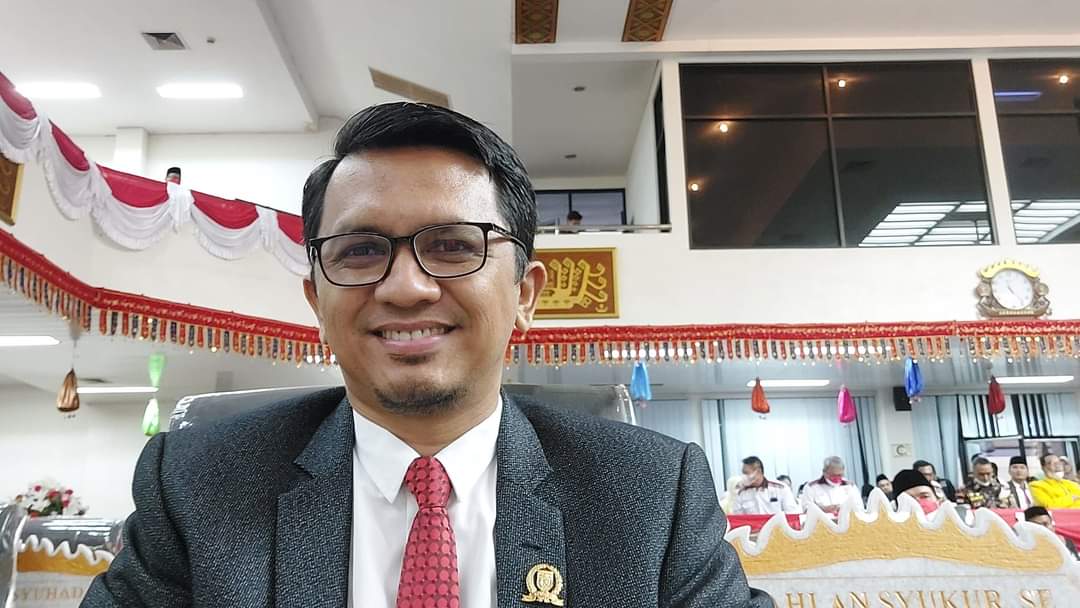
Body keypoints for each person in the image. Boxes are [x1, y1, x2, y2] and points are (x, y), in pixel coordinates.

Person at [82, 103, 770, 607]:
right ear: (316, 300)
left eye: (452, 245)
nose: (406, 288)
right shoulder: (197, 486)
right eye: (360, 250)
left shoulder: (652, 495)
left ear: (525, 294)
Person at [730, 456, 800, 516]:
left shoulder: (780, 488)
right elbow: (738, 518)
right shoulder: (741, 493)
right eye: (743, 473)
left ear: (758, 472)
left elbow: (792, 514)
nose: (744, 476)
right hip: (752, 527)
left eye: (746, 473)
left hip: (776, 526)